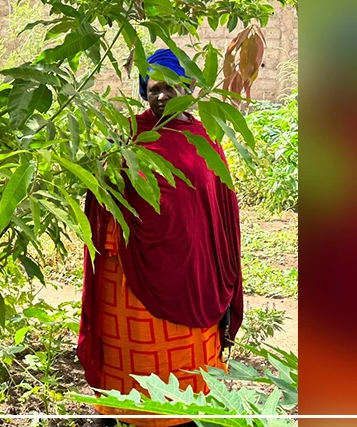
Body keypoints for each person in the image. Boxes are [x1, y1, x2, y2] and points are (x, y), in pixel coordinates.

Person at [77, 48, 245, 427]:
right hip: (129, 270)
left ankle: (184, 413)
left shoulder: (205, 140)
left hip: (192, 274)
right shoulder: (126, 135)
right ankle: (120, 410)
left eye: (171, 88)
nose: (162, 96)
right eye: (154, 89)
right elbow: (101, 192)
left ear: (188, 89)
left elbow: (219, 210)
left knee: (185, 362)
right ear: (144, 91)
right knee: (130, 357)